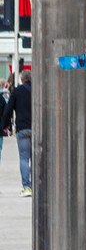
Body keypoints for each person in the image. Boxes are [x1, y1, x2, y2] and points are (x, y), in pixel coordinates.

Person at [6, 66, 31, 195]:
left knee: (24, 158)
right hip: (37, 128)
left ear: (22, 80)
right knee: (38, 159)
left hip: (22, 128)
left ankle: (27, 187)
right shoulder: (38, 91)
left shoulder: (17, 91)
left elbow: (8, 109)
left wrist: (6, 125)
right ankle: (39, 185)